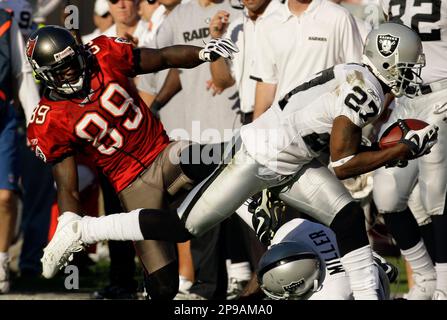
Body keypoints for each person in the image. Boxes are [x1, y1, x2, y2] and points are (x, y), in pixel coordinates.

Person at [42, 22, 436, 300]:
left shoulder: (357, 75)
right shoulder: (365, 91)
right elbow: (344, 163)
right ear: (386, 60)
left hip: (284, 157)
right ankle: (85, 230)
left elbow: (336, 146)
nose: (412, 72)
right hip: (257, 156)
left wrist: (394, 146)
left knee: (348, 216)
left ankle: (367, 295)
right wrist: (403, 149)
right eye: (407, 64)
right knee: (181, 228)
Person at [25, 25, 238, 300]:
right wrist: (69, 225)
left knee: (199, 157)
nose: (71, 72)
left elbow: (162, 57)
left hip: (162, 154)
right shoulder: (49, 120)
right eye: (61, 69)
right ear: (45, 76)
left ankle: (251, 169)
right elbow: (68, 188)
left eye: (72, 62)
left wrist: (203, 53)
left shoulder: (103, 55)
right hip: (130, 185)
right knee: (163, 286)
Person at [372, 0, 447, 300]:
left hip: (442, 94)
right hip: (405, 100)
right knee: (387, 196)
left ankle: (444, 282)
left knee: (436, 191)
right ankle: (426, 277)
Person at [251, 0, 363, 119]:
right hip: (282, 125)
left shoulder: (340, 16)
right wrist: (256, 131)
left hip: (326, 124)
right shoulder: (268, 23)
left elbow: (357, 75)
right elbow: (266, 84)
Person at [0, 7, 41, 293]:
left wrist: (35, 122)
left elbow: (22, 71)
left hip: (2, 118)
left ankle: (1, 261)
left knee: (5, 196)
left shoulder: (4, 20)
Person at [257, 218, 394, 300]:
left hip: (370, 281)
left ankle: (375, 264)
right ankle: (374, 261)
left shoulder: (333, 294)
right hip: (361, 264)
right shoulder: (298, 229)